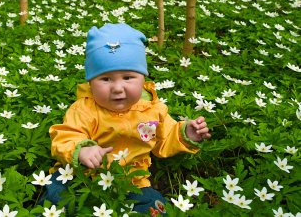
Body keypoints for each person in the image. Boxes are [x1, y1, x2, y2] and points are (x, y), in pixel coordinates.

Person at [42, 23, 211, 214]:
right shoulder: (84, 109)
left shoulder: (153, 110)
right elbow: (65, 135)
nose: (117, 87)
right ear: (90, 82)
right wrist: (82, 149)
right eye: (105, 79)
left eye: (128, 77)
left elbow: (166, 136)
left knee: (154, 207)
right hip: (80, 176)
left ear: (143, 78)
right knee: (57, 200)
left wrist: (185, 133)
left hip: (132, 181)